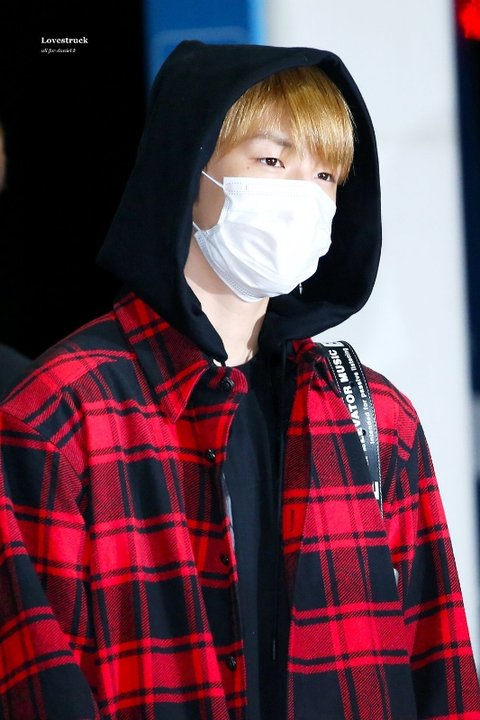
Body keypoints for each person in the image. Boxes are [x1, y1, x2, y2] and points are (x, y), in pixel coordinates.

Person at [0, 40, 478, 720]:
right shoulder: (63, 414)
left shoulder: (375, 418)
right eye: (272, 161)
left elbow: (441, 670)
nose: (303, 197)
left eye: (324, 176)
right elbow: (34, 681)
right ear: (189, 167)